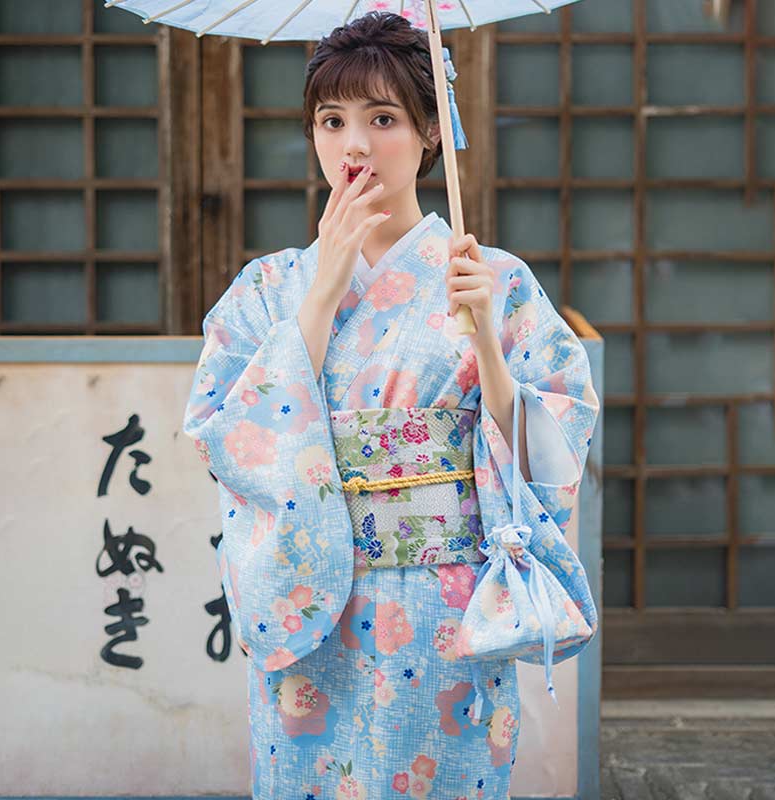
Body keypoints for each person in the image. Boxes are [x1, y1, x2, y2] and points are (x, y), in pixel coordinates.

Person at [182, 11, 599, 800]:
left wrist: (489, 350)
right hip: (314, 609)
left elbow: (556, 448)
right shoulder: (270, 289)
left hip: (446, 606)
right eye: (332, 121)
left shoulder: (493, 280)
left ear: (432, 132)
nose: (356, 147)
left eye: (384, 119)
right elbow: (219, 435)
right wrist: (322, 292)